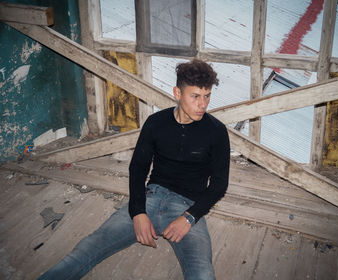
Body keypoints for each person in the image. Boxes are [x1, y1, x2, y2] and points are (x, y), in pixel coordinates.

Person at [38, 59, 230, 280]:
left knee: (203, 274)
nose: (203, 105)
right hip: (151, 197)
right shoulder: (156, 122)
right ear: (177, 92)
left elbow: (219, 184)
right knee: (86, 249)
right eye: (195, 96)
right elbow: (138, 169)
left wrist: (189, 218)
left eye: (207, 96)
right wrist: (137, 212)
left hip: (188, 205)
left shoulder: (216, 131)